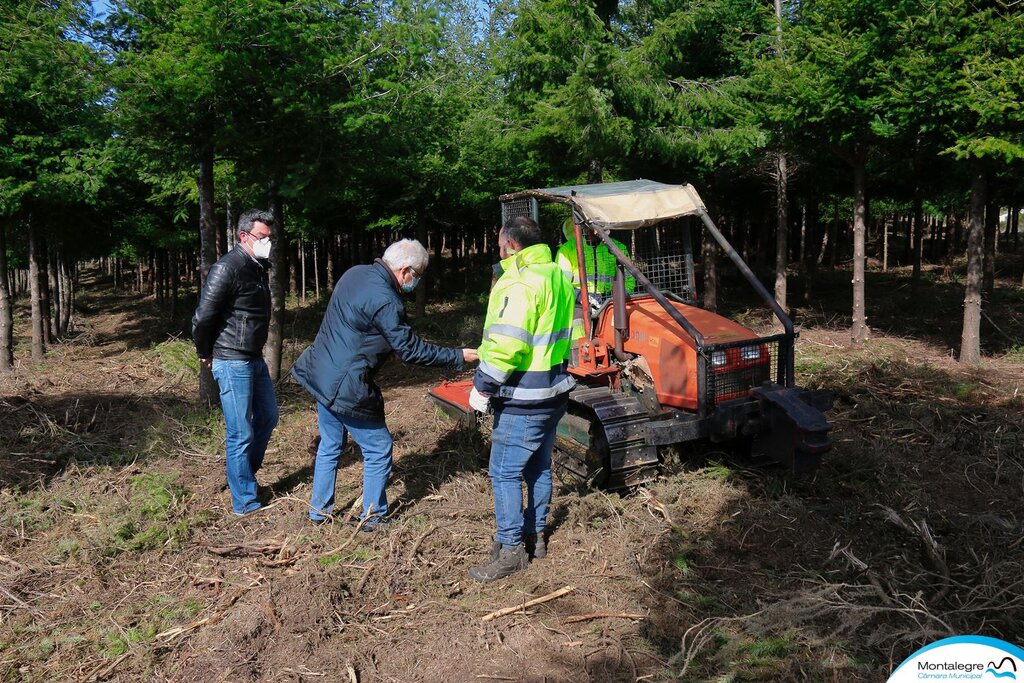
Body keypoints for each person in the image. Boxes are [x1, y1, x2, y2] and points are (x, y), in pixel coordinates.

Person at [291, 239, 478, 530]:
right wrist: (457, 355)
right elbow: (411, 350)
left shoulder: (355, 273)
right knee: (378, 447)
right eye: (416, 276)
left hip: (320, 370)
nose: (415, 283)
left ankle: (319, 511)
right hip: (345, 384)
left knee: (330, 443)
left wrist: (380, 345)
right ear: (404, 271)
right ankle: (373, 516)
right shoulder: (387, 300)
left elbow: (352, 323)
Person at [467, 216, 576, 583]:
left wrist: (483, 385)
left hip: (522, 396)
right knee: (539, 466)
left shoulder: (518, 281)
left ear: (511, 243)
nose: (498, 248)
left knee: (504, 471)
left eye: (499, 241)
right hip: (553, 391)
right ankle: (535, 536)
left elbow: (507, 344)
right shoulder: (557, 275)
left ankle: (511, 550)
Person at [192, 209, 279, 516]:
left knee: (268, 418)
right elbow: (203, 317)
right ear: (244, 237)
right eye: (263, 237)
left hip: (253, 358)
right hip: (231, 360)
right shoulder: (227, 268)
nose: (268, 242)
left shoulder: (258, 266)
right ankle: (245, 502)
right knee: (240, 432)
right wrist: (205, 352)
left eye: (270, 237)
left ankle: (244, 476)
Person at [555, 216, 635, 296]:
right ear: (584, 227)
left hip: (609, 301)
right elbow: (561, 281)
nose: (596, 233)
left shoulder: (618, 247)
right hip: (579, 302)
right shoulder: (566, 250)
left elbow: (629, 279)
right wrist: (579, 296)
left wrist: (619, 296)